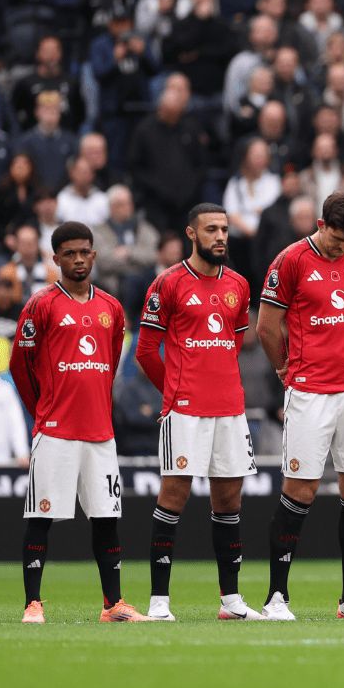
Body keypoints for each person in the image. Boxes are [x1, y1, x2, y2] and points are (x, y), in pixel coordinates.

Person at [10, 222, 150, 623]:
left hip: (99, 433)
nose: (77, 259)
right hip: (56, 431)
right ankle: (32, 603)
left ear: (94, 254)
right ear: (55, 259)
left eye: (84, 252)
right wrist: (44, 410)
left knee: (107, 518)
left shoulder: (110, 307)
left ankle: (113, 604)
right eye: (69, 253)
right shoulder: (41, 305)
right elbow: (21, 365)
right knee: (41, 515)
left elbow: (109, 367)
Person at [256, 192, 344, 620]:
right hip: (310, 391)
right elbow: (267, 328)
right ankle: (277, 597)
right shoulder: (290, 260)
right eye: (336, 239)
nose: (342, 248)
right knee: (300, 490)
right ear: (320, 223)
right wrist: (284, 370)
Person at [134, 204, 263, 622]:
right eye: (211, 229)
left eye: (224, 229)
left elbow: (236, 339)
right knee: (173, 497)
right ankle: (158, 602)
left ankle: (231, 601)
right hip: (185, 411)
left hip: (230, 407)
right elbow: (144, 351)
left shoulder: (240, 285)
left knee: (229, 501)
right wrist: (174, 392)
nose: (221, 236)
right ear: (192, 233)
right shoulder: (168, 283)